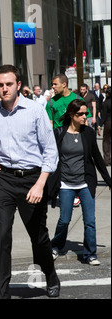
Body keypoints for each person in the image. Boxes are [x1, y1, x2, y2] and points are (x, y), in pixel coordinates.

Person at [0, 64, 61, 299]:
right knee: (2, 234)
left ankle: (50, 273)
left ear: (18, 85)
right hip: (2, 179)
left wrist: (40, 183)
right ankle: (1, 293)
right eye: (0, 85)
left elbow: (50, 151)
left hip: (32, 179)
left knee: (38, 236)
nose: (4, 89)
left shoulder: (35, 110)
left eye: (9, 84)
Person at [48, 99, 111, 266]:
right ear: (71, 115)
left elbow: (97, 158)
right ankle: (56, 246)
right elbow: (50, 157)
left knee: (90, 220)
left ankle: (90, 254)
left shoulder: (88, 133)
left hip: (85, 182)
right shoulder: (59, 132)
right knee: (65, 219)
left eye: (86, 113)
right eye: (81, 114)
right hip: (65, 183)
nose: (85, 116)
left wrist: (109, 181)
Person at [98, 87, 111, 166]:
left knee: (106, 141)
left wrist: (99, 125)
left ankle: (107, 160)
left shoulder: (105, 103)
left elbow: (103, 116)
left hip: (108, 123)